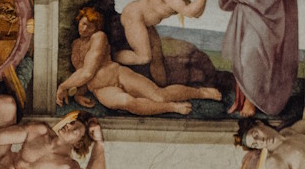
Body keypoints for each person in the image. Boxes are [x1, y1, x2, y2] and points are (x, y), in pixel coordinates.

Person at [56, 7, 223, 115]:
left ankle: (201, 93)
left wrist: (63, 86)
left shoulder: (99, 37)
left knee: (159, 95)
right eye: (83, 24)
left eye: (90, 26)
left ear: (96, 28)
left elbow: (87, 72)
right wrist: (78, 94)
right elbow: (81, 73)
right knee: (128, 102)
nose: (84, 28)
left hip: (118, 74)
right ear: (79, 21)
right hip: (101, 88)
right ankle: (172, 107)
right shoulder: (75, 45)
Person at [207, 0, 298, 116]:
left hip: (267, 27)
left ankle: (252, 102)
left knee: (251, 59)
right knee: (242, 59)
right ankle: (241, 101)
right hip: (248, 25)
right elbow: (227, 2)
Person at [114, 0, 219, 85]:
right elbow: (189, 12)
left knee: (157, 56)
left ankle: (161, 86)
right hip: (134, 15)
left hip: (146, 23)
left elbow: (197, 14)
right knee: (144, 57)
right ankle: (111, 57)